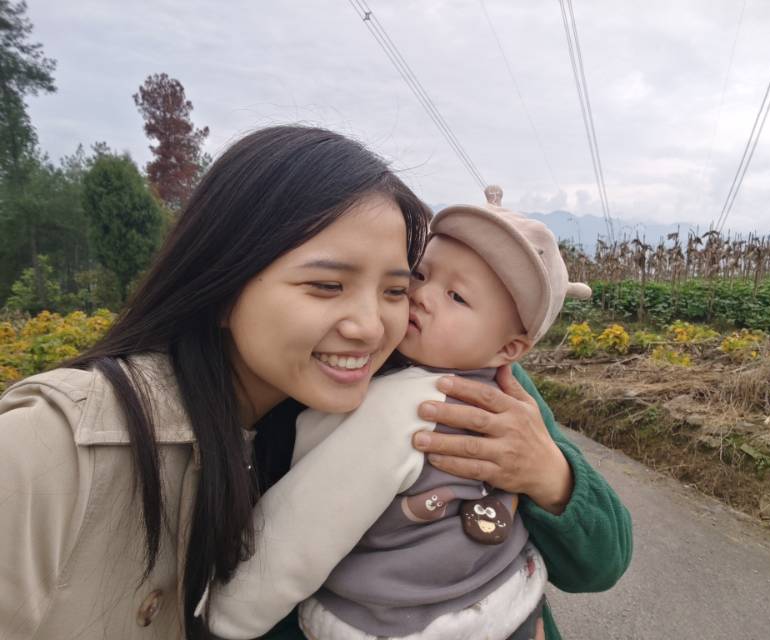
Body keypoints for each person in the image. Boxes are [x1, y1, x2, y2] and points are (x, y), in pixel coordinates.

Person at [0, 126, 630, 640]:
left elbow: (602, 563)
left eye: (393, 288)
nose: (372, 324)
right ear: (222, 283)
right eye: (327, 285)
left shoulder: (481, 390)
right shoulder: (51, 451)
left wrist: (550, 474)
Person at [203, 187, 603, 640]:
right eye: (417, 277)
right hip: (500, 604)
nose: (421, 296)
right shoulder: (414, 388)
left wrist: (551, 474)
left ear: (508, 350)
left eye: (457, 297)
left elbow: (300, 532)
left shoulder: (473, 401)